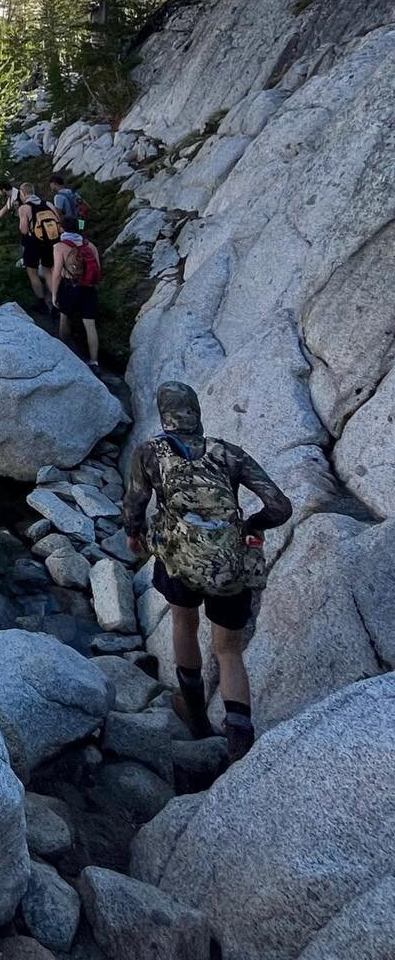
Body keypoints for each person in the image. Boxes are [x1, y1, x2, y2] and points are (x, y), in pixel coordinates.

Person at [123, 380, 292, 761]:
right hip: (229, 565)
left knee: (184, 624)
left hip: (179, 559)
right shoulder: (229, 453)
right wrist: (253, 526)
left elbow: (135, 502)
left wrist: (134, 536)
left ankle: (196, 715)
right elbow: (280, 506)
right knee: (229, 651)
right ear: (196, 413)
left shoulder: (150, 453)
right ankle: (240, 747)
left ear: (163, 415)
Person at [51, 212, 100, 371]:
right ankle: (94, 362)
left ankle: (63, 355)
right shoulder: (90, 246)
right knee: (90, 325)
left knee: (64, 318)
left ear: (62, 228)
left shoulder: (60, 247)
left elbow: (57, 273)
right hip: (89, 289)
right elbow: (98, 269)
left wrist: (54, 293)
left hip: (70, 287)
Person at [16, 183, 62, 313]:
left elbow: (24, 230)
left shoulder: (24, 208)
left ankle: (41, 304)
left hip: (32, 244)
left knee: (33, 273)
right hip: (50, 243)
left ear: (23, 193)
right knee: (48, 271)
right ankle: (56, 302)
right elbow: (58, 222)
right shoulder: (48, 204)